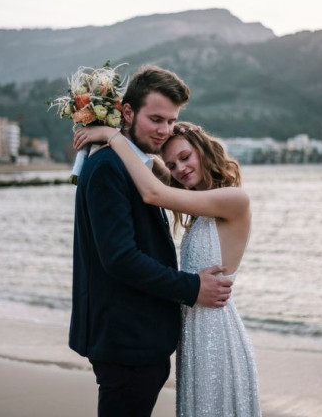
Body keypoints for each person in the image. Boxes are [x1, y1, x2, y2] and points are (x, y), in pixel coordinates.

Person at [69, 64, 234, 417]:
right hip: (127, 341)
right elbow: (120, 258)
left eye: (171, 121)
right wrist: (193, 287)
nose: (165, 130)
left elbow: (164, 188)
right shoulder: (110, 167)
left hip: (137, 339)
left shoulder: (135, 167)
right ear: (128, 112)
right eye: (156, 119)